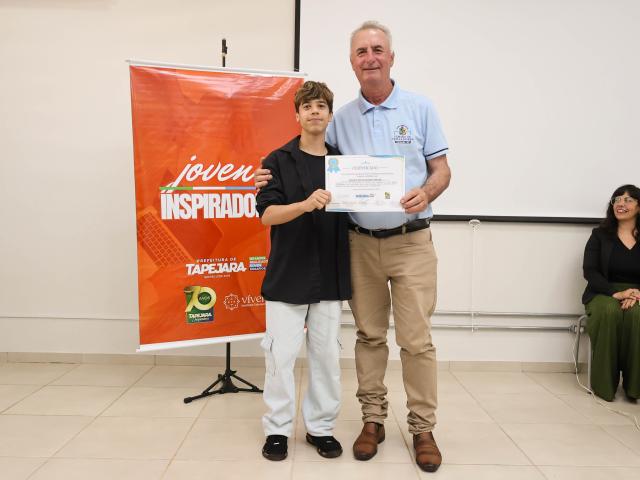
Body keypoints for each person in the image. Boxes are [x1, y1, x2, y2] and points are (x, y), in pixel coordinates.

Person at [255, 21, 451, 472]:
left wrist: (427, 192)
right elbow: (308, 161)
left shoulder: (420, 107)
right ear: (352, 61)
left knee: (416, 341)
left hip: (411, 241)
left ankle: (422, 428)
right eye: (361, 51)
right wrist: (265, 175)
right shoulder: (340, 119)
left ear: (391, 57)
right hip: (359, 246)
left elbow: (441, 170)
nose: (370, 57)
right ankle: (372, 420)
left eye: (377, 49)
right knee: (368, 337)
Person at [256, 81, 351, 461]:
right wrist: (305, 204)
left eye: (321, 106)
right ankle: (277, 430)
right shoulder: (276, 160)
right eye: (307, 106)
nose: (314, 112)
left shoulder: (344, 163)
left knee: (326, 358)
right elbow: (267, 215)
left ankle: (321, 429)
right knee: (280, 358)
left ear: (330, 115)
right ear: (297, 115)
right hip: (288, 272)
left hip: (330, 272)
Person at [582, 184, 640, 402]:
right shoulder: (599, 235)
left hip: (637, 293)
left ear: (639, 207)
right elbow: (590, 271)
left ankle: (634, 388)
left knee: (637, 315)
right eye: (617, 199)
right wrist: (616, 294)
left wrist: (635, 294)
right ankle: (604, 386)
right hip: (604, 292)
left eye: (628, 199)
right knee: (609, 312)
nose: (621, 204)